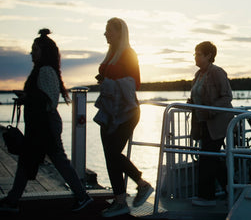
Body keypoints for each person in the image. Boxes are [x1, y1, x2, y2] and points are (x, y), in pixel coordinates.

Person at [0, 29, 93, 213]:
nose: (31, 53)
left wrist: (27, 97)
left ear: (44, 51)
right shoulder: (43, 70)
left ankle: (83, 197)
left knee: (47, 160)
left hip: (45, 125)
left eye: (34, 49)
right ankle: (13, 200)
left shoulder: (45, 71)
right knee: (32, 160)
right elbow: (43, 98)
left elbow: (48, 100)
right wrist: (27, 97)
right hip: (41, 125)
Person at [94, 18, 153, 217]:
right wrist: (106, 79)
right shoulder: (111, 54)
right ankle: (120, 201)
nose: (105, 34)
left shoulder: (129, 53)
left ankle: (142, 183)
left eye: (108, 30)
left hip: (126, 112)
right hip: (109, 110)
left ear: (120, 33)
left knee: (113, 154)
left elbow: (135, 82)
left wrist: (110, 80)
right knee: (110, 156)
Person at [187, 41, 233, 207]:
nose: (196, 57)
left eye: (198, 54)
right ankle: (231, 189)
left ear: (208, 56)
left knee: (207, 158)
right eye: (195, 54)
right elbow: (198, 96)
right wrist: (190, 102)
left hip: (218, 124)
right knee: (212, 158)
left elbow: (227, 96)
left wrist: (211, 109)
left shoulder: (217, 72)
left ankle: (208, 197)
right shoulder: (198, 74)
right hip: (203, 124)